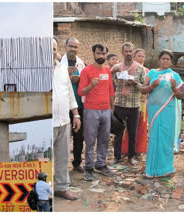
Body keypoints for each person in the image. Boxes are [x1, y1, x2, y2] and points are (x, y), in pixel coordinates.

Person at [141, 49, 184, 178]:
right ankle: (151, 169)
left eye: (168, 59)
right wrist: (152, 86)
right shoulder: (152, 73)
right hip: (154, 111)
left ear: (171, 62)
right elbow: (143, 90)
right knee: (154, 138)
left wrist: (173, 87)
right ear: (159, 60)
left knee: (166, 138)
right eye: (163, 58)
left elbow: (180, 96)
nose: (165, 61)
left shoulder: (175, 76)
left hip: (168, 111)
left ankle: (166, 168)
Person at [78, 43, 115, 181]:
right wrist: (91, 85)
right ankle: (88, 167)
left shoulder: (107, 71)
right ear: (93, 54)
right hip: (91, 110)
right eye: (98, 53)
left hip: (106, 110)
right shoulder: (86, 71)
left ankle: (101, 164)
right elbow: (81, 91)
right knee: (90, 139)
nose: (101, 56)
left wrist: (112, 107)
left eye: (103, 54)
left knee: (104, 139)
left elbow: (111, 90)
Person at [53, 36, 81, 200]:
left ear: (57, 50)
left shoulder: (62, 68)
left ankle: (62, 188)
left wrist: (76, 114)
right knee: (45, 156)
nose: (51, 52)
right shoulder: (35, 70)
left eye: (53, 49)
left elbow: (70, 93)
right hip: (47, 121)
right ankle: (44, 189)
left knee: (63, 156)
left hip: (64, 119)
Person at [111, 43, 146, 165]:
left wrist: (135, 83)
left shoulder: (140, 69)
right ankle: (117, 156)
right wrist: (111, 72)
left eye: (130, 51)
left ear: (133, 52)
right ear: (122, 53)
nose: (128, 53)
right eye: (126, 51)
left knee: (132, 132)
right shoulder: (116, 67)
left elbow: (144, 88)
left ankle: (131, 156)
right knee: (118, 132)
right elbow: (109, 83)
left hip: (133, 105)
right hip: (119, 104)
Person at [60, 37, 86, 173]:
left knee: (78, 136)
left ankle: (77, 163)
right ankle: (62, 165)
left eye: (75, 47)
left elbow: (87, 83)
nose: (73, 49)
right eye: (70, 46)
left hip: (78, 106)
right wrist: (66, 74)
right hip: (63, 106)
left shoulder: (82, 64)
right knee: (63, 137)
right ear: (65, 47)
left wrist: (80, 78)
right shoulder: (58, 63)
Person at [121, 48, 149, 159]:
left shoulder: (148, 71)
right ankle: (125, 149)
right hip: (129, 101)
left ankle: (139, 150)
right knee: (128, 127)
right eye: (139, 56)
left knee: (142, 127)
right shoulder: (129, 69)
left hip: (143, 102)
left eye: (143, 56)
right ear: (134, 56)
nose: (141, 58)